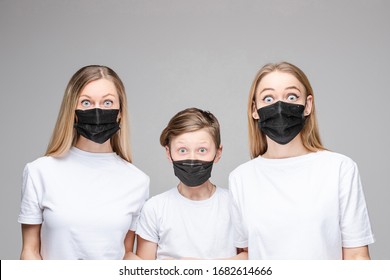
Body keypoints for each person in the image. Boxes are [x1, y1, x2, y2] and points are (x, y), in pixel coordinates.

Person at [229, 61, 375, 260]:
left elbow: (357, 255)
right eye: (268, 98)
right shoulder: (241, 178)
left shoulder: (339, 168)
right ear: (254, 110)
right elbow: (245, 257)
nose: (280, 107)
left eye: (291, 96)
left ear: (307, 105)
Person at [18, 65, 149, 260]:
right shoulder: (39, 171)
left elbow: (125, 253)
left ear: (120, 111)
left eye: (107, 102)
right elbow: (30, 250)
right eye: (86, 102)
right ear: (73, 110)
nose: (97, 110)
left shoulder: (138, 181)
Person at [135, 108, 245, 260]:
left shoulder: (234, 204)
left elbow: (249, 258)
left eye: (202, 150)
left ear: (218, 153)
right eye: (182, 150)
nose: (192, 159)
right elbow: (143, 270)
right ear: (169, 153)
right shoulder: (155, 208)